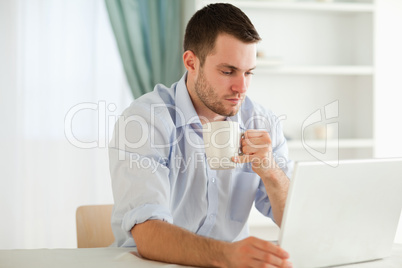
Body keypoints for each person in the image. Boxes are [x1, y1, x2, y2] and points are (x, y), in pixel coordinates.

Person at [109, 3, 293, 268]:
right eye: (227, 71)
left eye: (249, 73)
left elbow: (294, 221)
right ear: (191, 62)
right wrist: (227, 255)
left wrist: (272, 172)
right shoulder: (143, 122)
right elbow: (148, 233)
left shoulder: (262, 122)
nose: (241, 87)